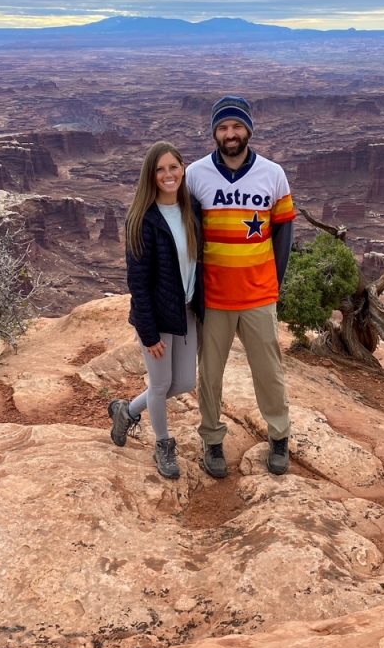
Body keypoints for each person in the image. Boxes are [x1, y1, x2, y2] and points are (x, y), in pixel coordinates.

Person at [185, 95, 295, 478]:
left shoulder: (273, 174)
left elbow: (283, 232)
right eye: (223, 127)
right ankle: (212, 440)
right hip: (214, 297)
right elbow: (186, 232)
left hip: (258, 295)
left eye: (236, 126)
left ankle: (279, 436)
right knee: (209, 374)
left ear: (248, 129)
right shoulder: (195, 174)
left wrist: (273, 282)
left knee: (269, 371)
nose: (230, 134)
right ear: (214, 132)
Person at [109, 141, 203, 480]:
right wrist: (148, 333)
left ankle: (126, 410)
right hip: (158, 316)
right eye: (160, 169)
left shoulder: (192, 208)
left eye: (173, 167)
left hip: (188, 311)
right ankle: (163, 445)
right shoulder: (142, 219)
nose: (168, 175)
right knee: (161, 384)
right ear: (151, 175)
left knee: (185, 381)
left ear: (182, 169)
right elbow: (138, 281)